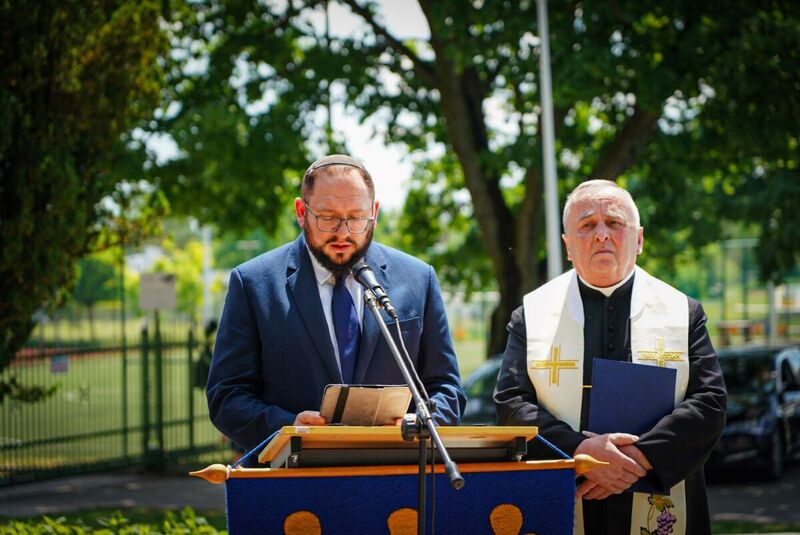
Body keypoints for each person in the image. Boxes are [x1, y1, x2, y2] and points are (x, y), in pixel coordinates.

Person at [494, 180, 726, 535]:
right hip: (570, 488)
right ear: (567, 246)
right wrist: (582, 452)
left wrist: (636, 459)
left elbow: (710, 403)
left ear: (639, 239)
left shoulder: (682, 312)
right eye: (587, 225)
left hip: (655, 480)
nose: (602, 234)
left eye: (614, 222)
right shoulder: (532, 315)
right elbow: (511, 405)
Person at [207, 154, 466, 458]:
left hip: (396, 470)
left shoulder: (419, 279)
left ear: (374, 213)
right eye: (328, 217)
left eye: (356, 218)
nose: (343, 233)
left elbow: (447, 390)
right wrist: (288, 428)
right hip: (293, 473)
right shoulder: (253, 283)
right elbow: (226, 397)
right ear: (301, 212)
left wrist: (416, 424)